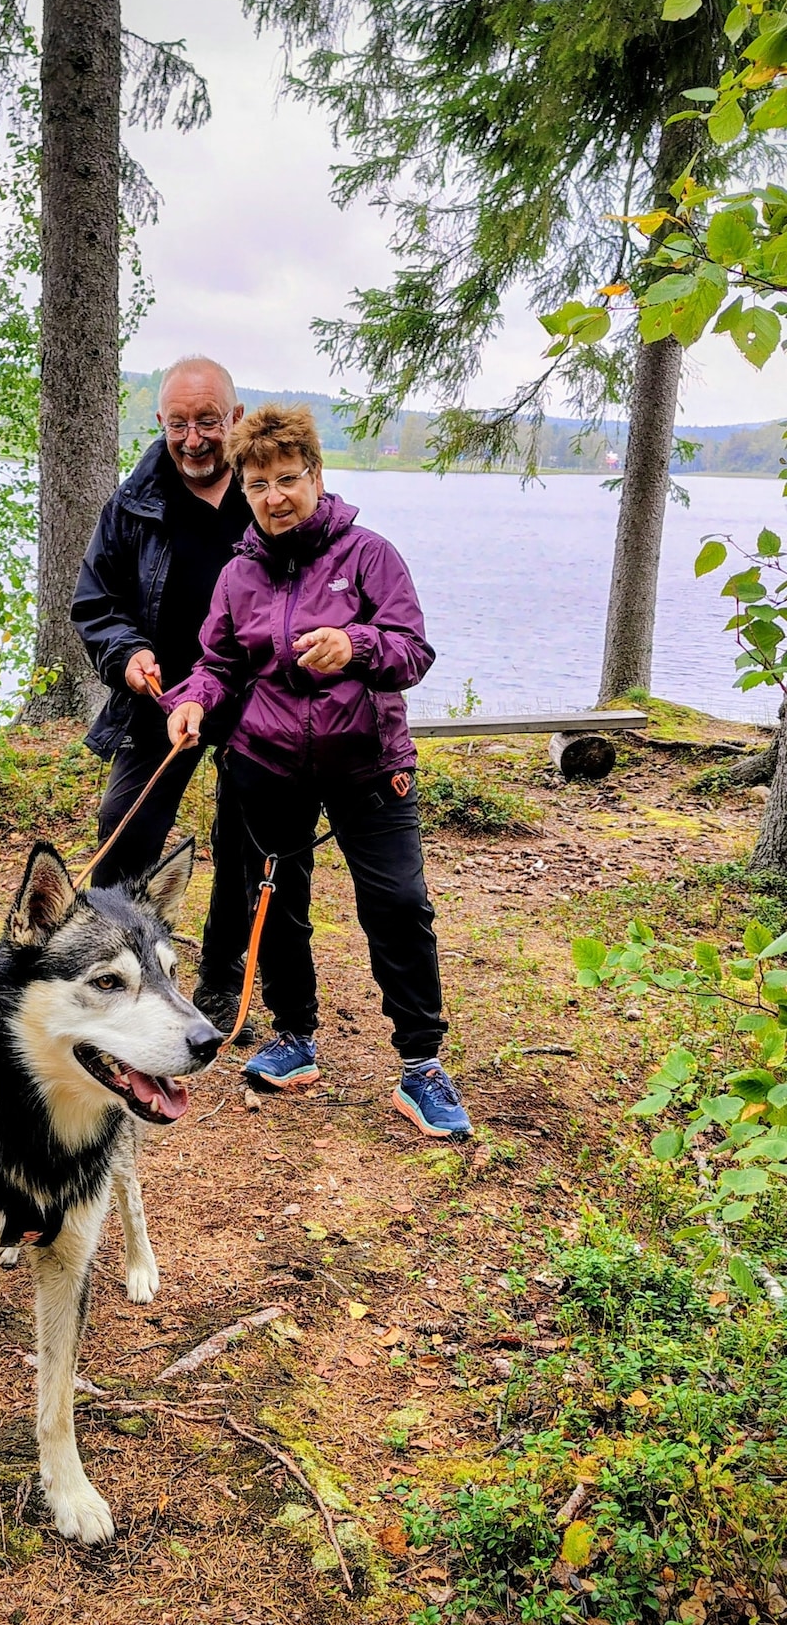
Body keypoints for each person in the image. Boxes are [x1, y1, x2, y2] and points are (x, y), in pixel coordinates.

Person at [162, 401, 472, 1138]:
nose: (275, 496)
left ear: (316, 475)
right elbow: (219, 662)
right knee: (274, 904)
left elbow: (412, 651)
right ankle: (295, 1035)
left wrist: (357, 645)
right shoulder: (239, 575)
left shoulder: (369, 555)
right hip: (268, 764)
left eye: (288, 478)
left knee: (397, 903)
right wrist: (192, 702)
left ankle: (421, 1063)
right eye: (259, 482)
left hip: (370, 765)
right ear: (244, 487)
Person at [71, 355, 256, 1038]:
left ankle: (222, 983)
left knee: (246, 844)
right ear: (160, 423)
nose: (195, 437)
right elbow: (96, 601)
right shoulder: (134, 500)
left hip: (250, 702)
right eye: (179, 422)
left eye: (209, 420)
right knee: (126, 836)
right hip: (161, 699)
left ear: (234, 418)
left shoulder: (264, 490)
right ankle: (115, 973)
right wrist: (128, 653)